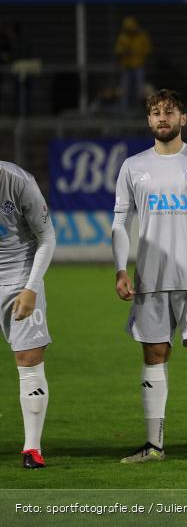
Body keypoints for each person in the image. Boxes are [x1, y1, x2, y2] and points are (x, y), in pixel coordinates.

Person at [112, 89, 187, 463]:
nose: (161, 117)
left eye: (169, 111)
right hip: (150, 279)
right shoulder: (133, 166)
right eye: (154, 112)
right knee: (154, 354)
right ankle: (154, 445)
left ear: (183, 118)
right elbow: (120, 222)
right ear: (148, 120)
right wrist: (120, 267)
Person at [0, 162, 55, 468]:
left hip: (20, 279)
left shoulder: (19, 182)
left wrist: (32, 288)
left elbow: (47, 237)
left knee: (29, 360)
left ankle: (31, 448)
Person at [115, 16, 152, 113]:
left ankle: (138, 109)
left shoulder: (142, 36)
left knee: (139, 89)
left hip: (139, 65)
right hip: (126, 66)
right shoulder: (123, 37)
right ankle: (124, 110)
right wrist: (125, 52)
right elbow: (118, 51)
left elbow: (147, 51)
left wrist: (142, 59)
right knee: (125, 89)